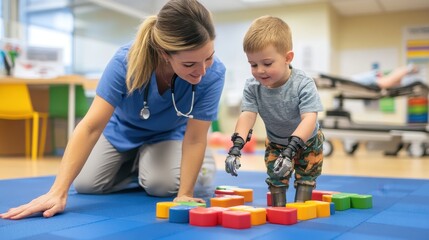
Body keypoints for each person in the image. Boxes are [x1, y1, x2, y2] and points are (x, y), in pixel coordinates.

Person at [0, 0, 225, 220]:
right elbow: (90, 127)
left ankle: (175, 164)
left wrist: (184, 194)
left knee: (163, 186)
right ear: (164, 54)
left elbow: (195, 138)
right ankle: (142, 163)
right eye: (189, 64)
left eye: (209, 57)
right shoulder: (124, 61)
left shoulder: (214, 75)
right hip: (122, 131)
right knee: (87, 184)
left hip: (169, 135)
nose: (202, 71)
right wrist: (57, 192)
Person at [224, 16, 324, 207]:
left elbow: (309, 118)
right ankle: (279, 209)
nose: (260, 71)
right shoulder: (253, 86)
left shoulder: (303, 83)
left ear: (288, 58)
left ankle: (302, 209)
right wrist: (236, 147)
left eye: (267, 63)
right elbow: (247, 115)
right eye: (253, 64)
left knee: (305, 179)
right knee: (276, 180)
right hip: (276, 142)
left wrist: (291, 149)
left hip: (308, 142)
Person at [351, 64, 423, 89]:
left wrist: (409, 69)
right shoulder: (389, 80)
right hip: (374, 78)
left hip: (375, 78)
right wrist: (409, 69)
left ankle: (407, 70)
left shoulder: (388, 80)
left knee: (391, 79)